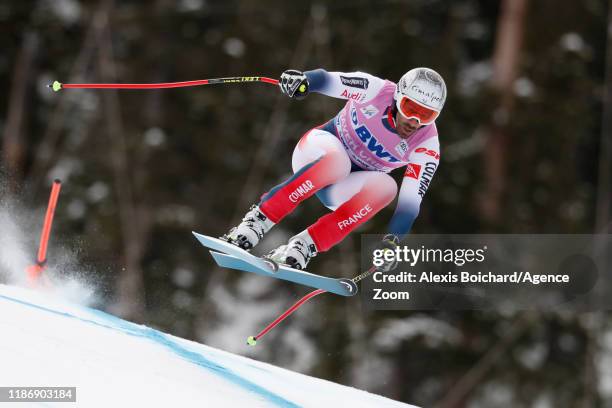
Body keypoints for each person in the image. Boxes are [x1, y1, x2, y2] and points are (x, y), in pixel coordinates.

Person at [222, 67, 446, 270]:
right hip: (315, 154)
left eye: (427, 115)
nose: (414, 121)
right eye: (410, 108)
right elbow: (329, 80)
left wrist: (392, 241)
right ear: (398, 96)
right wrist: (304, 81)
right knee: (338, 162)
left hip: (341, 188)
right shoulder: (376, 91)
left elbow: (410, 202)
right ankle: (257, 221)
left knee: (387, 188)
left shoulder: (427, 145)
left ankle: (305, 245)